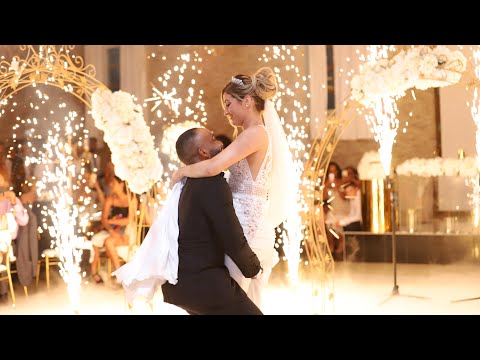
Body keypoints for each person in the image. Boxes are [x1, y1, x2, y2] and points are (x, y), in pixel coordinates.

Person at [170, 67, 296, 310]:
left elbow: (212, 167)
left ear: (246, 101)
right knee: (247, 304)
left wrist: (181, 171)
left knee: (232, 303)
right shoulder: (246, 133)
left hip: (248, 226)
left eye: (228, 104)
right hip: (244, 224)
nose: (225, 111)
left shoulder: (256, 133)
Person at [113, 128, 263, 315]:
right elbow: (231, 235)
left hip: (181, 284)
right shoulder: (212, 184)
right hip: (202, 282)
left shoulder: (188, 183)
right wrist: (254, 269)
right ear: (203, 152)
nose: (220, 142)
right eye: (213, 139)